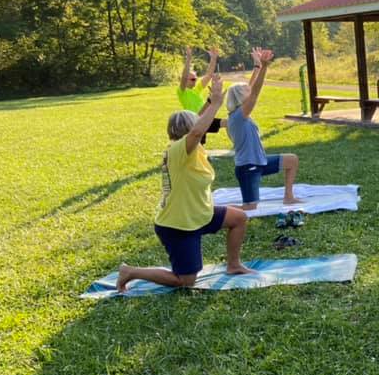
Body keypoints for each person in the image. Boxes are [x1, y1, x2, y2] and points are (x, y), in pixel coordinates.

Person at [117, 75, 251, 292]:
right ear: (190, 131)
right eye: (197, 127)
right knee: (185, 281)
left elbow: (197, 123)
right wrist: (216, 103)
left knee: (239, 218)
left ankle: (234, 265)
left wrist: (210, 99)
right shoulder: (179, 151)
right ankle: (130, 271)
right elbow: (197, 129)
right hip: (178, 224)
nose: (202, 128)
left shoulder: (190, 148)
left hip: (199, 215)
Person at [226, 47, 301, 210]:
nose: (249, 91)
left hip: (261, 162)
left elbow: (250, 88)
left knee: (292, 160)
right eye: (246, 92)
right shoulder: (239, 115)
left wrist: (257, 65)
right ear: (241, 97)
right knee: (250, 208)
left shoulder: (238, 113)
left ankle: (289, 197)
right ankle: (216, 211)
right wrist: (265, 67)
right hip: (248, 168)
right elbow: (254, 93)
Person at [177, 47, 225, 143]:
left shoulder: (197, 89)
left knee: (228, 123)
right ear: (186, 81)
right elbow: (184, 76)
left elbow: (208, 75)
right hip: (193, 123)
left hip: (205, 119)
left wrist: (213, 59)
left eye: (196, 78)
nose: (195, 81)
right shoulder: (182, 92)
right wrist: (188, 59)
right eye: (193, 79)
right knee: (197, 145)